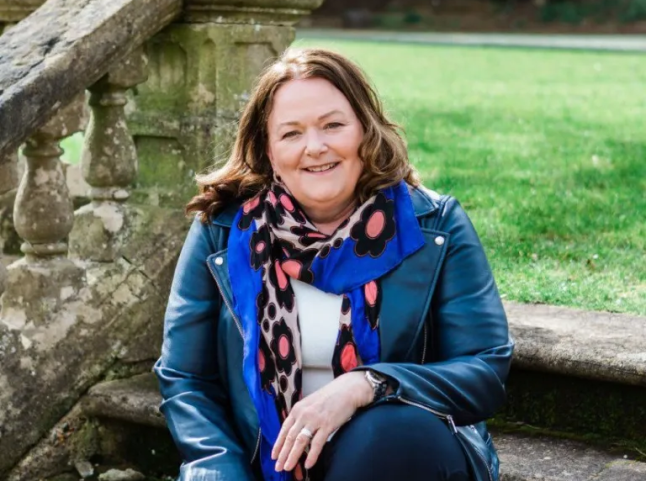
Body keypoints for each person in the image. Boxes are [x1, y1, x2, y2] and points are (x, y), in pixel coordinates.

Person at [153, 47, 513, 481]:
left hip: (399, 453)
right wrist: (220, 470)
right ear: (267, 150)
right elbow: (186, 379)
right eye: (291, 134)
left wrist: (366, 386)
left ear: (365, 130)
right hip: (264, 464)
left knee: (388, 434)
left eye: (333, 125)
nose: (315, 147)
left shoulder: (432, 225)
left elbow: (484, 369)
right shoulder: (223, 231)